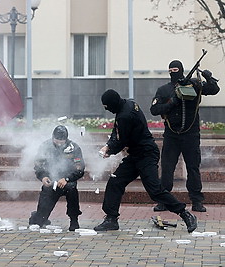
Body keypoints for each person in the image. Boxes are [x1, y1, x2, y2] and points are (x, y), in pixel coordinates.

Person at [94, 89, 197, 233]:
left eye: (108, 107)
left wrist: (108, 149)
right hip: (136, 154)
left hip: (146, 155)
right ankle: (111, 219)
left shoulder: (125, 115)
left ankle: (185, 214)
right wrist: (109, 146)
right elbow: (117, 131)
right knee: (115, 181)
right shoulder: (127, 105)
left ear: (113, 104)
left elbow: (121, 140)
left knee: (155, 191)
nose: (109, 111)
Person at [150, 60, 220, 212]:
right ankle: (163, 201)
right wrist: (172, 103)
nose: (173, 72)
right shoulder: (164, 90)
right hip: (171, 135)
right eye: (171, 70)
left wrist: (209, 78)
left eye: (176, 69)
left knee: (193, 168)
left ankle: (196, 201)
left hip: (191, 134)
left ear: (181, 70)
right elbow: (154, 109)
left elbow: (214, 89)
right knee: (167, 168)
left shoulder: (193, 85)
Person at [29, 125, 85, 231]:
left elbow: (80, 169)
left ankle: (74, 219)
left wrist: (67, 179)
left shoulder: (74, 148)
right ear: (52, 137)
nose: (59, 142)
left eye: (62, 140)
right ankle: (39, 216)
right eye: (57, 140)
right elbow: (38, 165)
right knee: (38, 222)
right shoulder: (45, 146)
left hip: (67, 181)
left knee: (72, 190)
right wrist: (43, 177)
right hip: (51, 180)